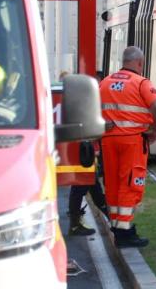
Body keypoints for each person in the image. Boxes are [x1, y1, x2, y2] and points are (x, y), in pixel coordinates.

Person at [99, 46, 156, 248]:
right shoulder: (140, 83)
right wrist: (154, 129)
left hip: (108, 140)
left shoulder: (105, 83)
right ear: (139, 63)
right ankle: (125, 232)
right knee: (129, 183)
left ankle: (117, 226)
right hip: (132, 140)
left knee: (113, 183)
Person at [58, 70, 109, 236]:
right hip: (85, 152)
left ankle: (107, 217)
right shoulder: (83, 101)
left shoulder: (81, 99)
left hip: (87, 151)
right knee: (81, 186)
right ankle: (75, 223)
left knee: (91, 186)